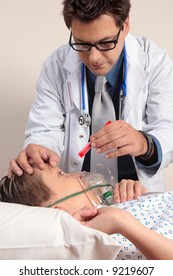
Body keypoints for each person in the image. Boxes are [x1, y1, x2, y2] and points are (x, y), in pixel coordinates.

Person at [9, 0, 173, 192]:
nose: (94, 57)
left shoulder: (154, 61)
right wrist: (40, 151)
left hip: (134, 193)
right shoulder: (56, 66)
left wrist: (144, 143)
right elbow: (45, 131)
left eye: (105, 43)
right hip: (78, 194)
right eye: (82, 44)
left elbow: (167, 128)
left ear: (125, 25)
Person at [1, 165, 173, 260]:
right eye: (62, 174)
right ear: (58, 211)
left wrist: (143, 195)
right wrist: (121, 220)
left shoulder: (113, 206)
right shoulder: (101, 239)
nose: (77, 173)